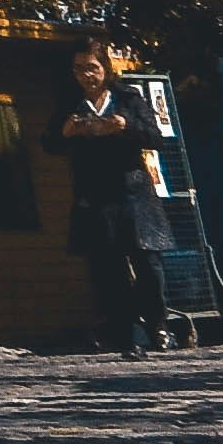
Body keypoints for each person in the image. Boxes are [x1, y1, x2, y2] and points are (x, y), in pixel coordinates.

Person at [53, 47, 173, 356]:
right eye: (79, 69)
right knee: (109, 269)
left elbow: (155, 137)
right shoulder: (70, 102)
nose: (86, 75)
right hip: (94, 195)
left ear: (105, 68)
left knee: (148, 263)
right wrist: (65, 132)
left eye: (91, 67)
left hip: (132, 191)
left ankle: (158, 324)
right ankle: (125, 335)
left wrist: (124, 127)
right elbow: (49, 142)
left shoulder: (128, 99)